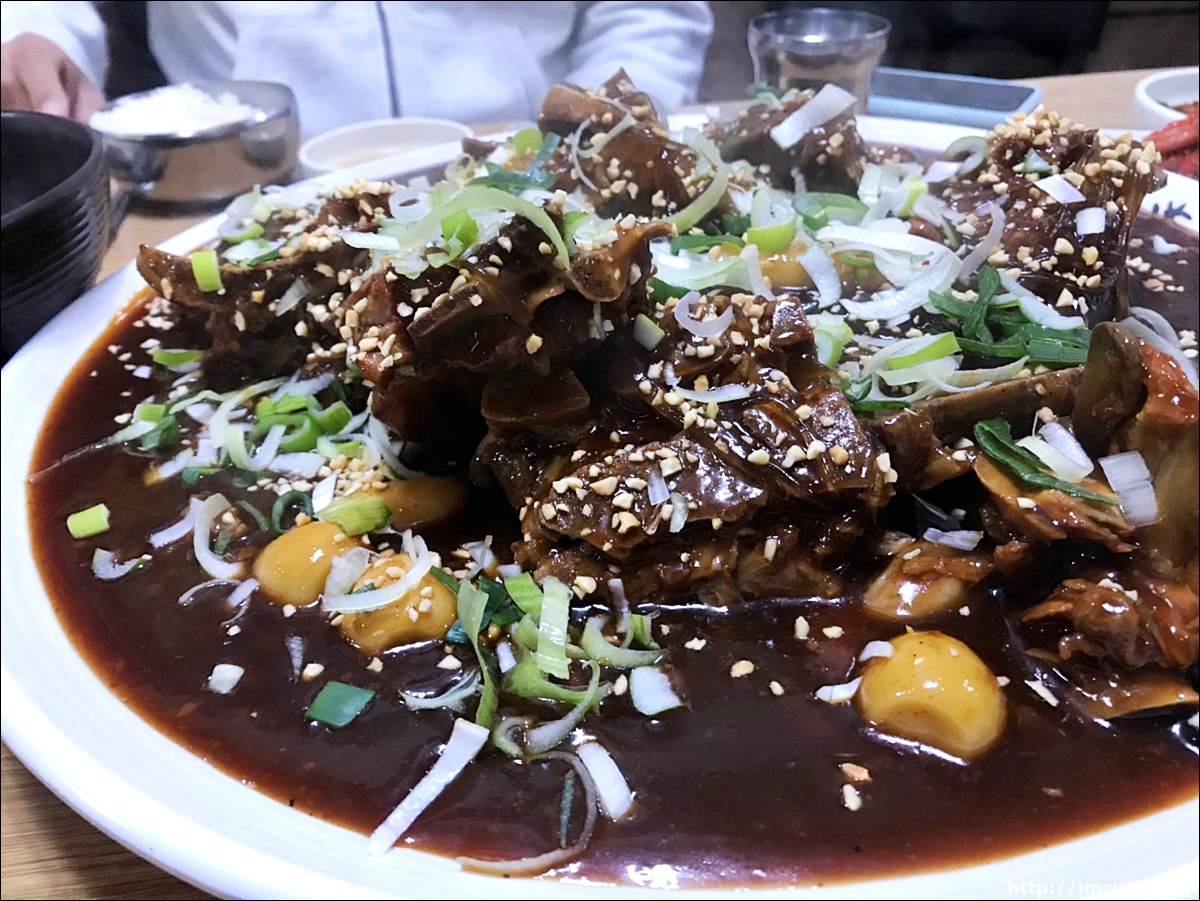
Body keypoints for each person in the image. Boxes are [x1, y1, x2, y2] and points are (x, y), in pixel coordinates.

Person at [1, 1, 714, 135]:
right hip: (243, 174)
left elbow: (647, 10)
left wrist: (598, 138)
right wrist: (33, 28)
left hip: (528, 154)